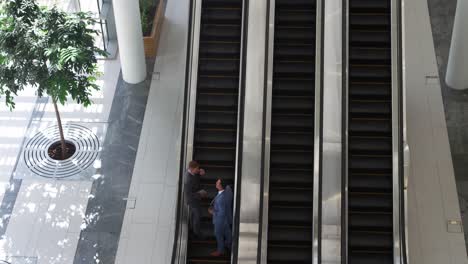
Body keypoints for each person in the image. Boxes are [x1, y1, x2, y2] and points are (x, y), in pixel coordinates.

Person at [208, 179, 232, 257]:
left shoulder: (221, 199)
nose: (216, 183)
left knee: (218, 234)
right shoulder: (228, 191)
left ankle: (220, 251)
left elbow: (222, 212)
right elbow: (228, 187)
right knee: (227, 233)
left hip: (220, 220)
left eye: (217, 183)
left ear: (221, 185)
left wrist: (213, 212)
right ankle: (228, 244)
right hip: (227, 218)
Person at [184, 160, 207, 239]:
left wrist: (200, 173)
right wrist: (200, 193)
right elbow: (189, 195)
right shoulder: (188, 181)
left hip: (195, 198)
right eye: (197, 169)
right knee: (198, 215)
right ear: (191, 168)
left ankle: (192, 228)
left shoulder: (192, 173)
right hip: (192, 201)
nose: (198, 170)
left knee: (193, 215)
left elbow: (195, 176)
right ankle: (197, 232)